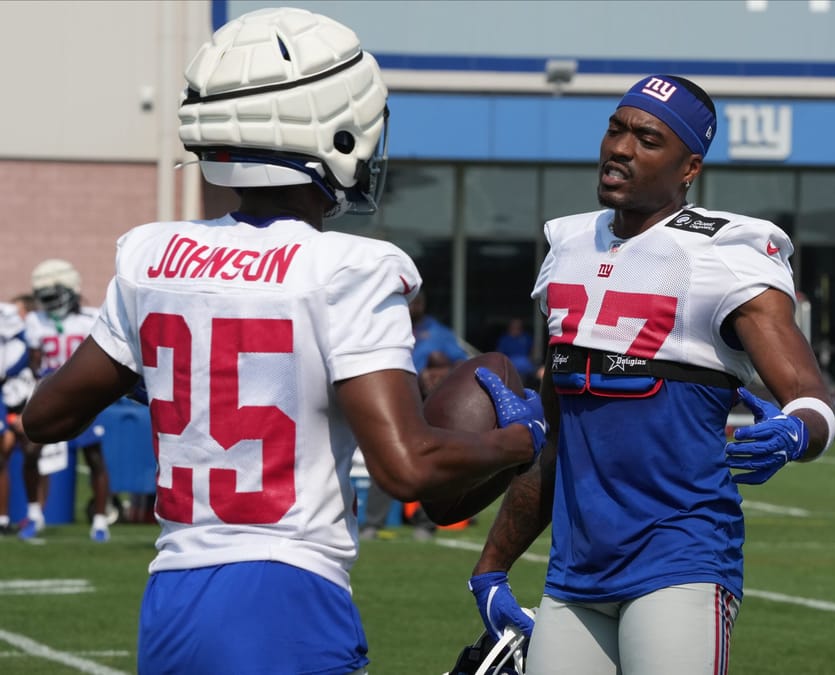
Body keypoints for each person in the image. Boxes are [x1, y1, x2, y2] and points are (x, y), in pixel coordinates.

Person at [20, 7, 545, 675]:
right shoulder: (349, 268)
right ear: (336, 132)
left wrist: (173, 361)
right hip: (287, 588)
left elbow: (45, 415)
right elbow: (407, 467)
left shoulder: (152, 257)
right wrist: (522, 438)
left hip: (172, 595)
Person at [467, 74, 835, 675]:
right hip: (576, 571)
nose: (621, 148)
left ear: (689, 166)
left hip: (681, 559)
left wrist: (798, 430)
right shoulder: (568, 246)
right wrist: (491, 567)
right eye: (616, 129)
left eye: (647, 139)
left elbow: (810, 399)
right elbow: (557, 443)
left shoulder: (726, 252)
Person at [360, 288, 469, 541]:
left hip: (425, 400)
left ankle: (425, 522)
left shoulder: (439, 332)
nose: (413, 307)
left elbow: (461, 361)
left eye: (418, 302)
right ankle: (372, 523)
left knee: (427, 458)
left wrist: (441, 370)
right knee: (386, 456)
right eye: (410, 302)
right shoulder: (384, 327)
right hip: (391, 397)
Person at [17, 260, 113, 542]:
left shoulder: (90, 318)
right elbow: (34, 362)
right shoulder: (36, 321)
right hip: (48, 393)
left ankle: (99, 521)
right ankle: (34, 514)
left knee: (94, 457)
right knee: (31, 451)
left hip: (84, 395)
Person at [0, 300, 31, 535]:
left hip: (7, 392)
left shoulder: (5, 313)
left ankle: (2, 518)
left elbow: (25, 347)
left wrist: (6, 372)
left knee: (2, 456)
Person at [495, 317, 536, 386]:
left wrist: (532, 360)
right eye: (514, 326)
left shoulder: (526, 337)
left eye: (519, 326)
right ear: (510, 327)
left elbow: (533, 350)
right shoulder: (504, 339)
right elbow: (499, 355)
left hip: (527, 367)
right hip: (510, 367)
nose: (517, 328)